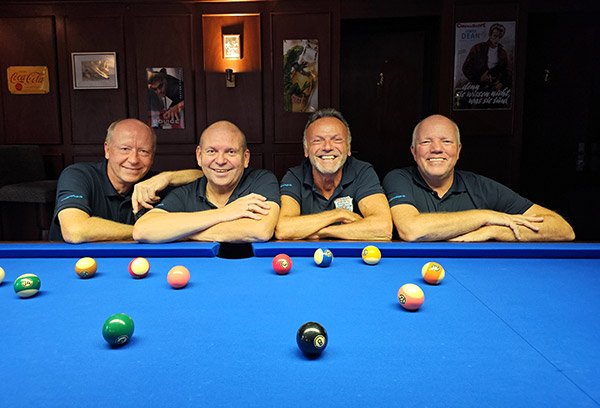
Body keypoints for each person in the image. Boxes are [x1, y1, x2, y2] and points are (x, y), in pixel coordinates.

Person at [382, 114, 575, 242]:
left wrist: (493, 231)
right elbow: (411, 230)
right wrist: (486, 216)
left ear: (458, 150)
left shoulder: (481, 187)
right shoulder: (398, 179)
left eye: (446, 141)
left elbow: (563, 229)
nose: (437, 149)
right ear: (414, 152)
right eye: (426, 142)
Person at [50, 118, 203, 243]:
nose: (134, 160)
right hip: (74, 263)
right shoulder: (78, 175)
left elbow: (205, 178)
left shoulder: (154, 183)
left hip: (137, 264)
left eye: (143, 151)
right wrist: (147, 233)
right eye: (125, 149)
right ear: (107, 150)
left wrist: (167, 177)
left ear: (152, 156)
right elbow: (74, 230)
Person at [133, 121, 280, 243]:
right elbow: (142, 230)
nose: (220, 160)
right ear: (199, 156)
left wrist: (182, 232)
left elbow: (260, 231)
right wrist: (223, 213)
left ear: (245, 158)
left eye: (231, 152)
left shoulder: (261, 181)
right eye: (211, 151)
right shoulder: (186, 192)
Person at [275, 108, 392, 240]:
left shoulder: (362, 172)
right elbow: (283, 230)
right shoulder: (295, 176)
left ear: (348, 148)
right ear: (306, 150)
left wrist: (322, 232)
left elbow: (383, 228)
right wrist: (340, 214)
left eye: (337, 140)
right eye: (317, 140)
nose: (327, 147)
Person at [462, 23, 511, 91]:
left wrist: (502, 83)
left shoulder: (502, 53)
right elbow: (466, 68)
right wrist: (479, 78)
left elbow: (507, 71)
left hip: (494, 88)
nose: (497, 39)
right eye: (495, 36)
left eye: (500, 37)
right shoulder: (478, 48)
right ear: (490, 35)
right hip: (477, 87)